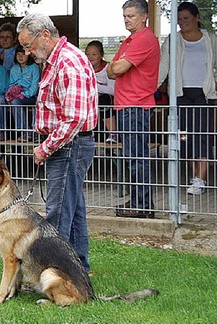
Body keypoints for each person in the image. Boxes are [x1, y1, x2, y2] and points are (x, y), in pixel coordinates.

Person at [18, 13, 98, 271]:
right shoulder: (56, 60)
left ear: (44, 35)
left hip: (68, 146)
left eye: (28, 45)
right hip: (68, 145)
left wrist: (45, 147)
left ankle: (54, 272)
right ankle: (78, 267)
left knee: (57, 214)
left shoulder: (67, 62)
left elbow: (74, 119)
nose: (28, 52)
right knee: (73, 211)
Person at [107, 0, 160, 218]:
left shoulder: (143, 39)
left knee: (137, 157)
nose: (126, 20)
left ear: (143, 16)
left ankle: (143, 205)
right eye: (125, 16)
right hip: (127, 105)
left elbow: (116, 67)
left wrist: (116, 65)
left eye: (131, 16)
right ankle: (139, 200)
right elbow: (112, 71)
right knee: (132, 156)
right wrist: (115, 66)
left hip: (135, 104)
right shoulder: (129, 40)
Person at [158, 1, 217, 196]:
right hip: (180, 93)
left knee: (202, 136)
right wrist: (151, 88)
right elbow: (163, 66)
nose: (182, 22)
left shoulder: (210, 39)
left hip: (203, 93)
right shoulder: (172, 39)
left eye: (186, 18)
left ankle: (200, 179)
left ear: (197, 18)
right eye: (179, 19)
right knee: (184, 138)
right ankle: (196, 178)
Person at [0, 44, 40, 142]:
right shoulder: (14, 69)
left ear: (28, 55)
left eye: (23, 54)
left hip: (30, 96)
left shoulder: (34, 68)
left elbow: (34, 88)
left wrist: (22, 95)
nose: (20, 57)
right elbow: (11, 85)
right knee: (1, 99)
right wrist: (12, 93)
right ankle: (1, 130)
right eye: (18, 55)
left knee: (15, 102)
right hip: (16, 96)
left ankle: (26, 132)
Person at [85, 40, 117, 143]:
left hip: (105, 100)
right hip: (89, 100)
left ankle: (113, 134)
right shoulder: (83, 69)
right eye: (87, 55)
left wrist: (94, 86)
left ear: (101, 55)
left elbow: (112, 90)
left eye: (94, 54)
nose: (90, 58)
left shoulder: (108, 68)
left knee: (104, 100)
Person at [0, 22, 17, 90]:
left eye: (8, 37)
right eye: (2, 37)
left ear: (15, 39)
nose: (4, 40)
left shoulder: (19, 53)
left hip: (12, 88)